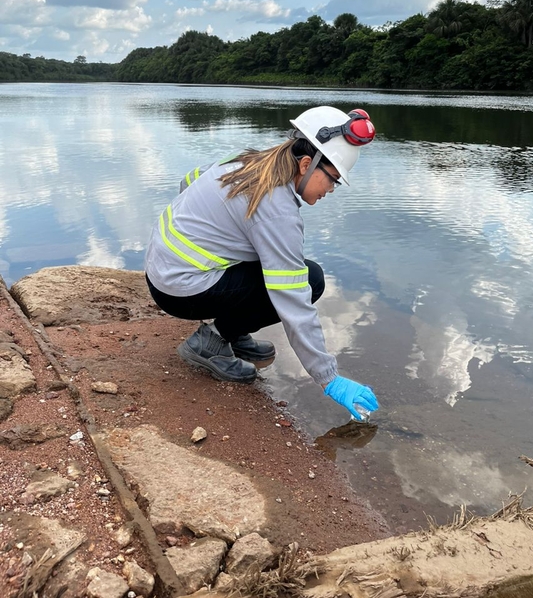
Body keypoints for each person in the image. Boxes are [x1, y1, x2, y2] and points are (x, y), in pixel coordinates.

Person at [144, 105, 379, 420]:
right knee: (310, 280)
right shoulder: (277, 210)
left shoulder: (249, 160)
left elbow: (190, 181)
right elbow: (293, 298)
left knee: (270, 258)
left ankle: (231, 330)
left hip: (161, 269)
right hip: (179, 290)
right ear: (307, 164)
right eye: (333, 179)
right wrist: (329, 378)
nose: (332, 190)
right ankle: (211, 342)